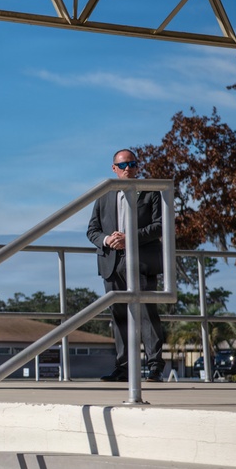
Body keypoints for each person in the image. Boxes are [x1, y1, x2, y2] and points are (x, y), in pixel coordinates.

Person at [86, 149, 165, 382]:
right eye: (122, 165)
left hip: (141, 261)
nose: (127, 168)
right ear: (114, 169)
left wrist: (129, 237)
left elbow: (160, 225)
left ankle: (154, 367)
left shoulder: (150, 192)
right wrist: (107, 239)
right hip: (111, 262)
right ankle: (124, 368)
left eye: (132, 164)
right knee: (118, 315)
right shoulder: (103, 195)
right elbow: (92, 230)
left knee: (147, 315)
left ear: (137, 167)